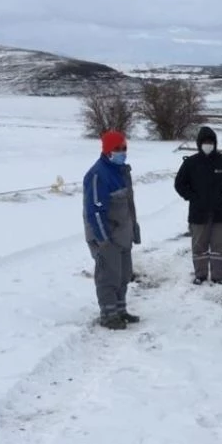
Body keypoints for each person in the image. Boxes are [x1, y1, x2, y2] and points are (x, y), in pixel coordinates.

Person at [83, 130, 141, 330]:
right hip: (107, 238)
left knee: (123, 275)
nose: (122, 152)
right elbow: (95, 210)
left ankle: (120, 310)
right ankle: (108, 315)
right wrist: (103, 238)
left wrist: (133, 230)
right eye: (118, 148)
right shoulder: (98, 174)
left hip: (123, 235)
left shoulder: (122, 172)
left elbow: (129, 206)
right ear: (108, 150)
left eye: (124, 148)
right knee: (108, 277)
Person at [175, 125, 222, 284]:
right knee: (199, 246)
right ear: (199, 143)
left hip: (219, 213)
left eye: (211, 142)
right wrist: (191, 196)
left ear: (215, 143)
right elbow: (179, 184)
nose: (208, 144)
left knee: (219, 246)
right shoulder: (191, 163)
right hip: (198, 213)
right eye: (205, 142)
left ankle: (218, 276)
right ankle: (200, 275)